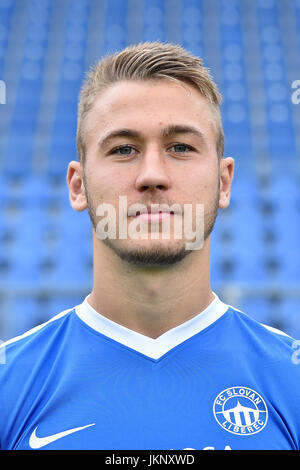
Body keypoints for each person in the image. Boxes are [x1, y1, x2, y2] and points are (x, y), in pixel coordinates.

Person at [0, 42, 299, 451]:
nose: (153, 175)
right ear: (78, 184)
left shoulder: (291, 379)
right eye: (124, 149)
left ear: (224, 181)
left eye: (181, 147)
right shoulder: (8, 384)